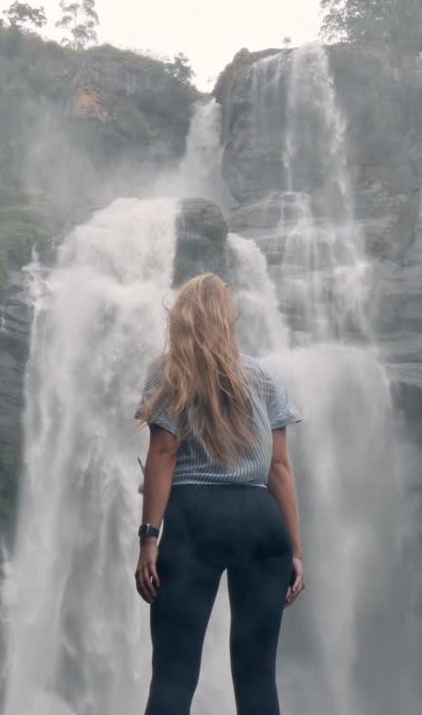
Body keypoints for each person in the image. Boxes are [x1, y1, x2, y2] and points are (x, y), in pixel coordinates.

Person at [133, 272, 305, 715]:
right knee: (257, 677)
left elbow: (164, 452)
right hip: (263, 524)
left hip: (196, 521)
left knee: (174, 673)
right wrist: (297, 551)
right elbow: (280, 468)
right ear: (228, 318)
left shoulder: (171, 373)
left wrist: (149, 537)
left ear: (183, 318)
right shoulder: (264, 377)